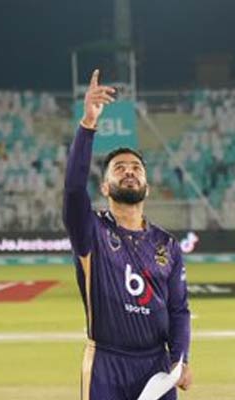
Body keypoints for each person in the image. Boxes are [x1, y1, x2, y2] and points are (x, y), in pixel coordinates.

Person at [63, 69, 192, 400]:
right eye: (119, 168)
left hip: (157, 367)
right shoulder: (90, 231)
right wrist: (88, 124)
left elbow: (179, 310)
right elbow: (74, 188)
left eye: (136, 168)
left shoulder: (168, 245)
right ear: (105, 186)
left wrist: (181, 358)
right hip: (107, 363)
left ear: (147, 187)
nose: (129, 171)